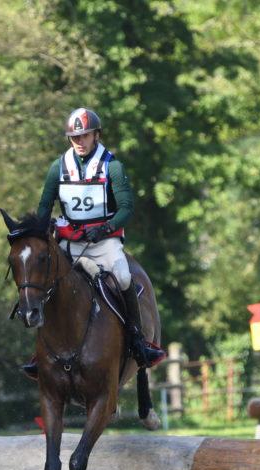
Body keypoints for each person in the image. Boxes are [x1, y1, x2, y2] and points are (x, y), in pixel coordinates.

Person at [22, 107, 165, 379]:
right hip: (70, 243)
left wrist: (106, 228)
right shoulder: (58, 167)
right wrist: (43, 229)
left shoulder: (113, 166)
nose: (79, 141)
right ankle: (40, 351)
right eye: (75, 137)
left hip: (104, 243)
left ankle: (137, 341)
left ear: (96, 135)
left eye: (84, 136)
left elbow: (126, 207)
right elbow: (44, 207)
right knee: (43, 279)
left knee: (123, 276)